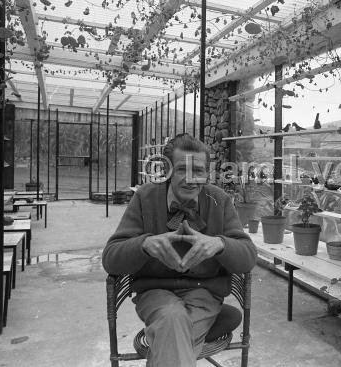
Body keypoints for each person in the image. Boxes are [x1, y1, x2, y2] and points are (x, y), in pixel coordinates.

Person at [102, 134, 257, 367]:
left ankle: (204, 319)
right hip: (155, 293)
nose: (191, 179)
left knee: (170, 328)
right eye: (182, 169)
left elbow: (248, 256)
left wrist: (220, 244)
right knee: (172, 316)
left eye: (199, 170)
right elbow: (111, 258)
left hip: (204, 293)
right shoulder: (145, 197)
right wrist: (145, 244)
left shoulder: (219, 200)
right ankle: (209, 323)